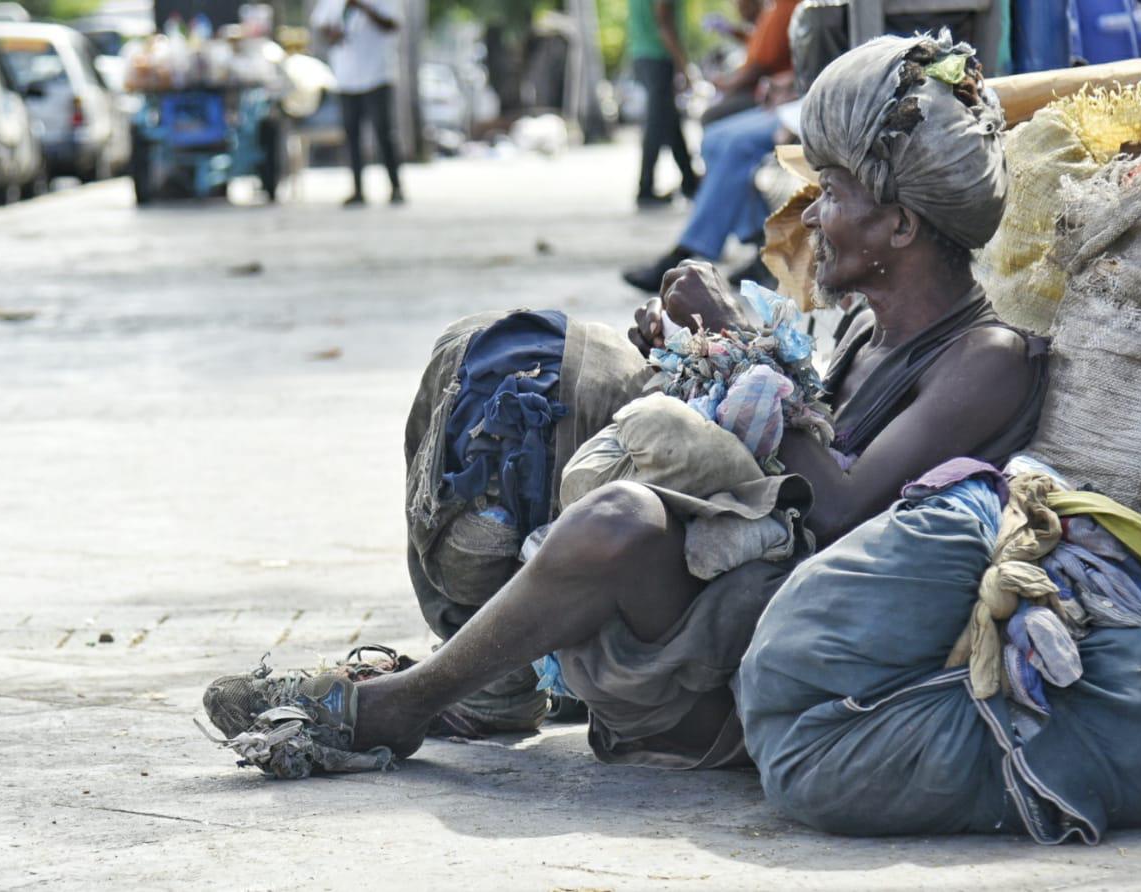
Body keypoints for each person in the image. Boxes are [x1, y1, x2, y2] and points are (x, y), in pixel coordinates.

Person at [202, 33, 1049, 776]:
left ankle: (402, 705)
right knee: (533, 367)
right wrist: (690, 360)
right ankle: (489, 683)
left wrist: (742, 351)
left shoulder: (987, 359)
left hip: (786, 662)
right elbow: (787, 450)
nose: (811, 215)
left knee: (620, 520)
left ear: (900, 228)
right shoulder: (870, 325)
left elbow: (836, 509)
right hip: (736, 601)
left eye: (830, 192)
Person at [623, 0, 801, 293]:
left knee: (726, 139)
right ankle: (764, 243)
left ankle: (687, 251)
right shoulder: (777, 9)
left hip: (796, 104)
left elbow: (761, 63)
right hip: (785, 99)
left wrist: (720, 82)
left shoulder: (788, 6)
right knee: (716, 137)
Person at [310, 0, 404, 207]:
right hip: (346, 77)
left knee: (384, 133)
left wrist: (363, 7)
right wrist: (331, 35)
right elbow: (321, 25)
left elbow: (393, 25)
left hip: (378, 74)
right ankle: (358, 190)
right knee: (351, 136)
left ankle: (396, 187)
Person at [629, 0, 701, 208]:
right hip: (657, 54)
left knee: (669, 121)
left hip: (642, 53)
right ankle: (645, 187)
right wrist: (683, 64)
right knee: (657, 123)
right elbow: (664, 21)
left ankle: (689, 182)